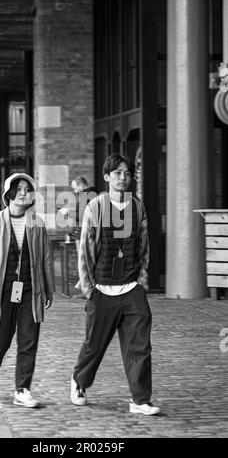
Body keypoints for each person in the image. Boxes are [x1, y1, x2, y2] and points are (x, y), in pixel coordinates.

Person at [70, 153, 160, 416]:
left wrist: (142, 282)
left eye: (127, 173)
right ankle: (80, 382)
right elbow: (85, 250)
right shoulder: (95, 206)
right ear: (107, 177)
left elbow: (144, 246)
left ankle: (140, 400)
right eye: (118, 173)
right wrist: (89, 289)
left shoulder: (138, 207)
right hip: (102, 289)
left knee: (140, 346)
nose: (123, 178)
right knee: (94, 344)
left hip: (132, 288)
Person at [0, 173, 54, 408]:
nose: (24, 192)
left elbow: (46, 259)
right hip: (2, 289)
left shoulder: (37, 223)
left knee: (29, 339)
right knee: (1, 338)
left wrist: (48, 290)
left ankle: (22, 389)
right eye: (19, 188)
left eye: (28, 188)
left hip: (30, 288)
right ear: (9, 193)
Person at [70, 176, 97, 255]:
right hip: (86, 231)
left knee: (83, 259)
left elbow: (82, 217)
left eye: (75, 188)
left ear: (80, 185)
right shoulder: (92, 194)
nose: (74, 191)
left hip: (83, 232)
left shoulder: (85, 196)